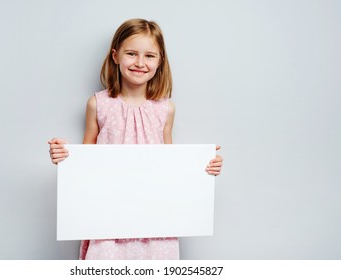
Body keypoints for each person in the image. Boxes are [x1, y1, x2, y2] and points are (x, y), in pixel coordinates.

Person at [48, 18, 223, 260]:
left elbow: (170, 163)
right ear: (115, 56)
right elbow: (86, 158)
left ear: (160, 61)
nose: (140, 63)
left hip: (155, 220)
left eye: (150, 56)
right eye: (131, 53)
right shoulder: (99, 104)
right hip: (107, 217)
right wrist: (64, 157)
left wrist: (202, 166)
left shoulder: (166, 109)